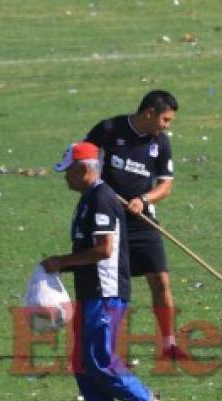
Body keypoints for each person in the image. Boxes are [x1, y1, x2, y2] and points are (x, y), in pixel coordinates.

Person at [41, 141, 159, 401]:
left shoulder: (101, 199)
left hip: (105, 292)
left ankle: (142, 398)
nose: (64, 176)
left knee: (98, 358)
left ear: (83, 169)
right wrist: (62, 265)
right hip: (89, 290)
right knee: (82, 360)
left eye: (67, 171)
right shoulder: (88, 198)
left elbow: (104, 250)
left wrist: (62, 261)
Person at [84, 89, 187, 361]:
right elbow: (83, 163)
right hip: (110, 220)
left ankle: (169, 345)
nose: (166, 127)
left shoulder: (160, 143)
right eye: (165, 120)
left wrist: (143, 199)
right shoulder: (108, 130)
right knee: (115, 287)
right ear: (149, 113)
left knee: (161, 280)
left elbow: (165, 186)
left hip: (142, 218)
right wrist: (100, 193)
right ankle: (109, 348)